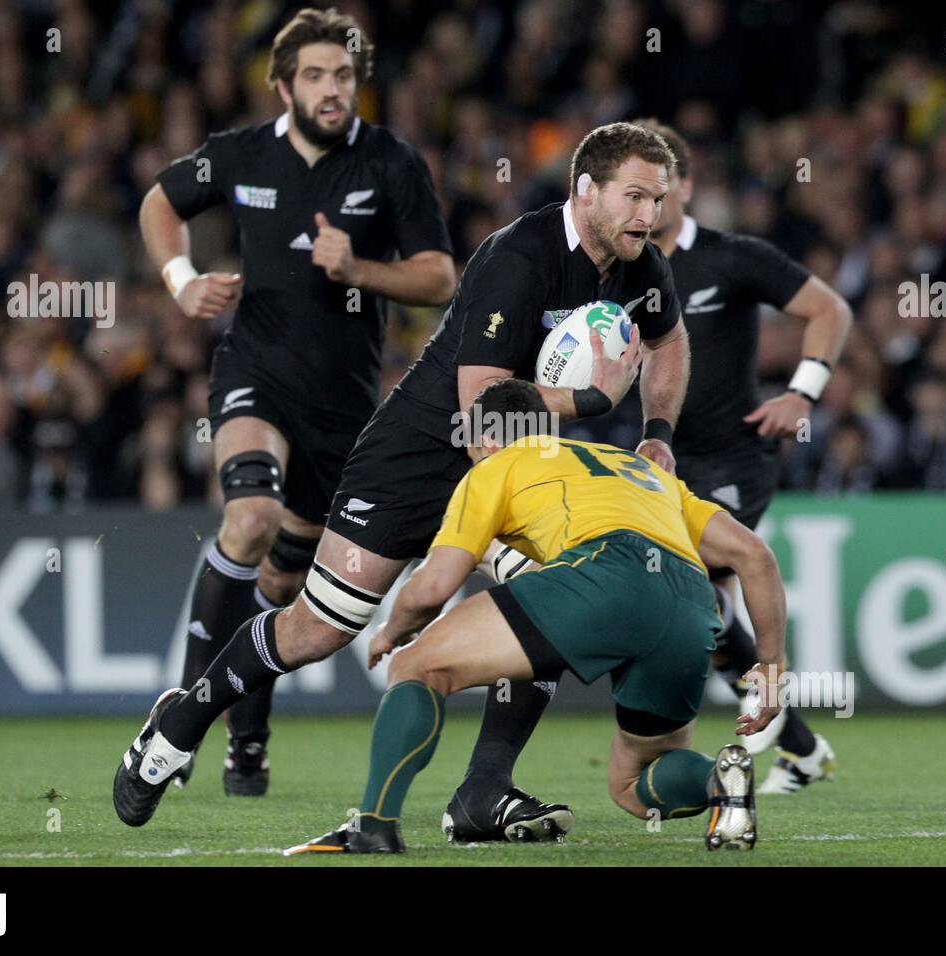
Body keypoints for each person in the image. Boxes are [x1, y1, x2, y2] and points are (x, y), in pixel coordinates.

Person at [114, 123, 691, 839]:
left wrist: (657, 433)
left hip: (515, 468)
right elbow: (483, 412)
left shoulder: (642, 266)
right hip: (416, 460)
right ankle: (180, 721)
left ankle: (484, 791)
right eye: (635, 197)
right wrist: (594, 402)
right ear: (586, 191)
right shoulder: (519, 258)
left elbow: (667, 341)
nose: (650, 215)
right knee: (316, 630)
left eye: (659, 199)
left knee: (544, 603)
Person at [138, 7, 454, 795]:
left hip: (343, 404)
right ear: (283, 85)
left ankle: (248, 735)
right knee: (247, 517)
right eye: (314, 75)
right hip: (254, 367)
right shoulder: (240, 153)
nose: (331, 88)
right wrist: (181, 284)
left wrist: (358, 271)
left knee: (283, 585)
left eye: (343, 75)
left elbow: (439, 278)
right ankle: (177, 714)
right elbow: (159, 204)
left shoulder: (390, 163)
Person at [280, 378, 788, 855]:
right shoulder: (641, 470)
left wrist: (394, 630)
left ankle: (373, 829)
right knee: (634, 783)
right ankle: (718, 780)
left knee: (416, 668)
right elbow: (754, 557)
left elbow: (434, 584)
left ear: (485, 439)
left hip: (600, 570)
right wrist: (769, 667)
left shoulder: (495, 467)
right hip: (691, 603)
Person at [635, 119, 852, 793]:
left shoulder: (730, 257)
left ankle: (762, 728)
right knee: (693, 605)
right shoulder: (608, 271)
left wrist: (802, 393)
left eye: (659, 186)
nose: (646, 202)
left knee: (695, 583)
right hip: (652, 463)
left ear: (687, 186)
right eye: (633, 189)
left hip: (733, 459)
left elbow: (829, 310)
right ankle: (802, 746)